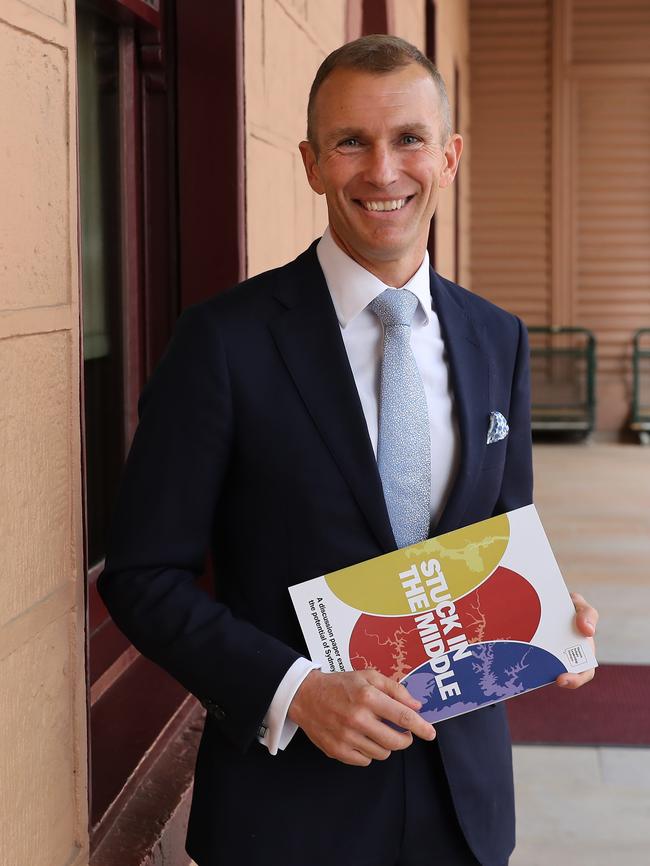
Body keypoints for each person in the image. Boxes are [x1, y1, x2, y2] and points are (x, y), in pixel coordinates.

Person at [98, 35, 598, 866]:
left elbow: (498, 533)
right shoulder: (222, 342)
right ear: (310, 162)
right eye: (350, 142)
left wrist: (546, 617)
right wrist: (295, 693)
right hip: (289, 812)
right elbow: (143, 576)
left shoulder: (496, 339)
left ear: (450, 156)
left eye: (408, 138)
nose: (382, 171)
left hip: (463, 803)